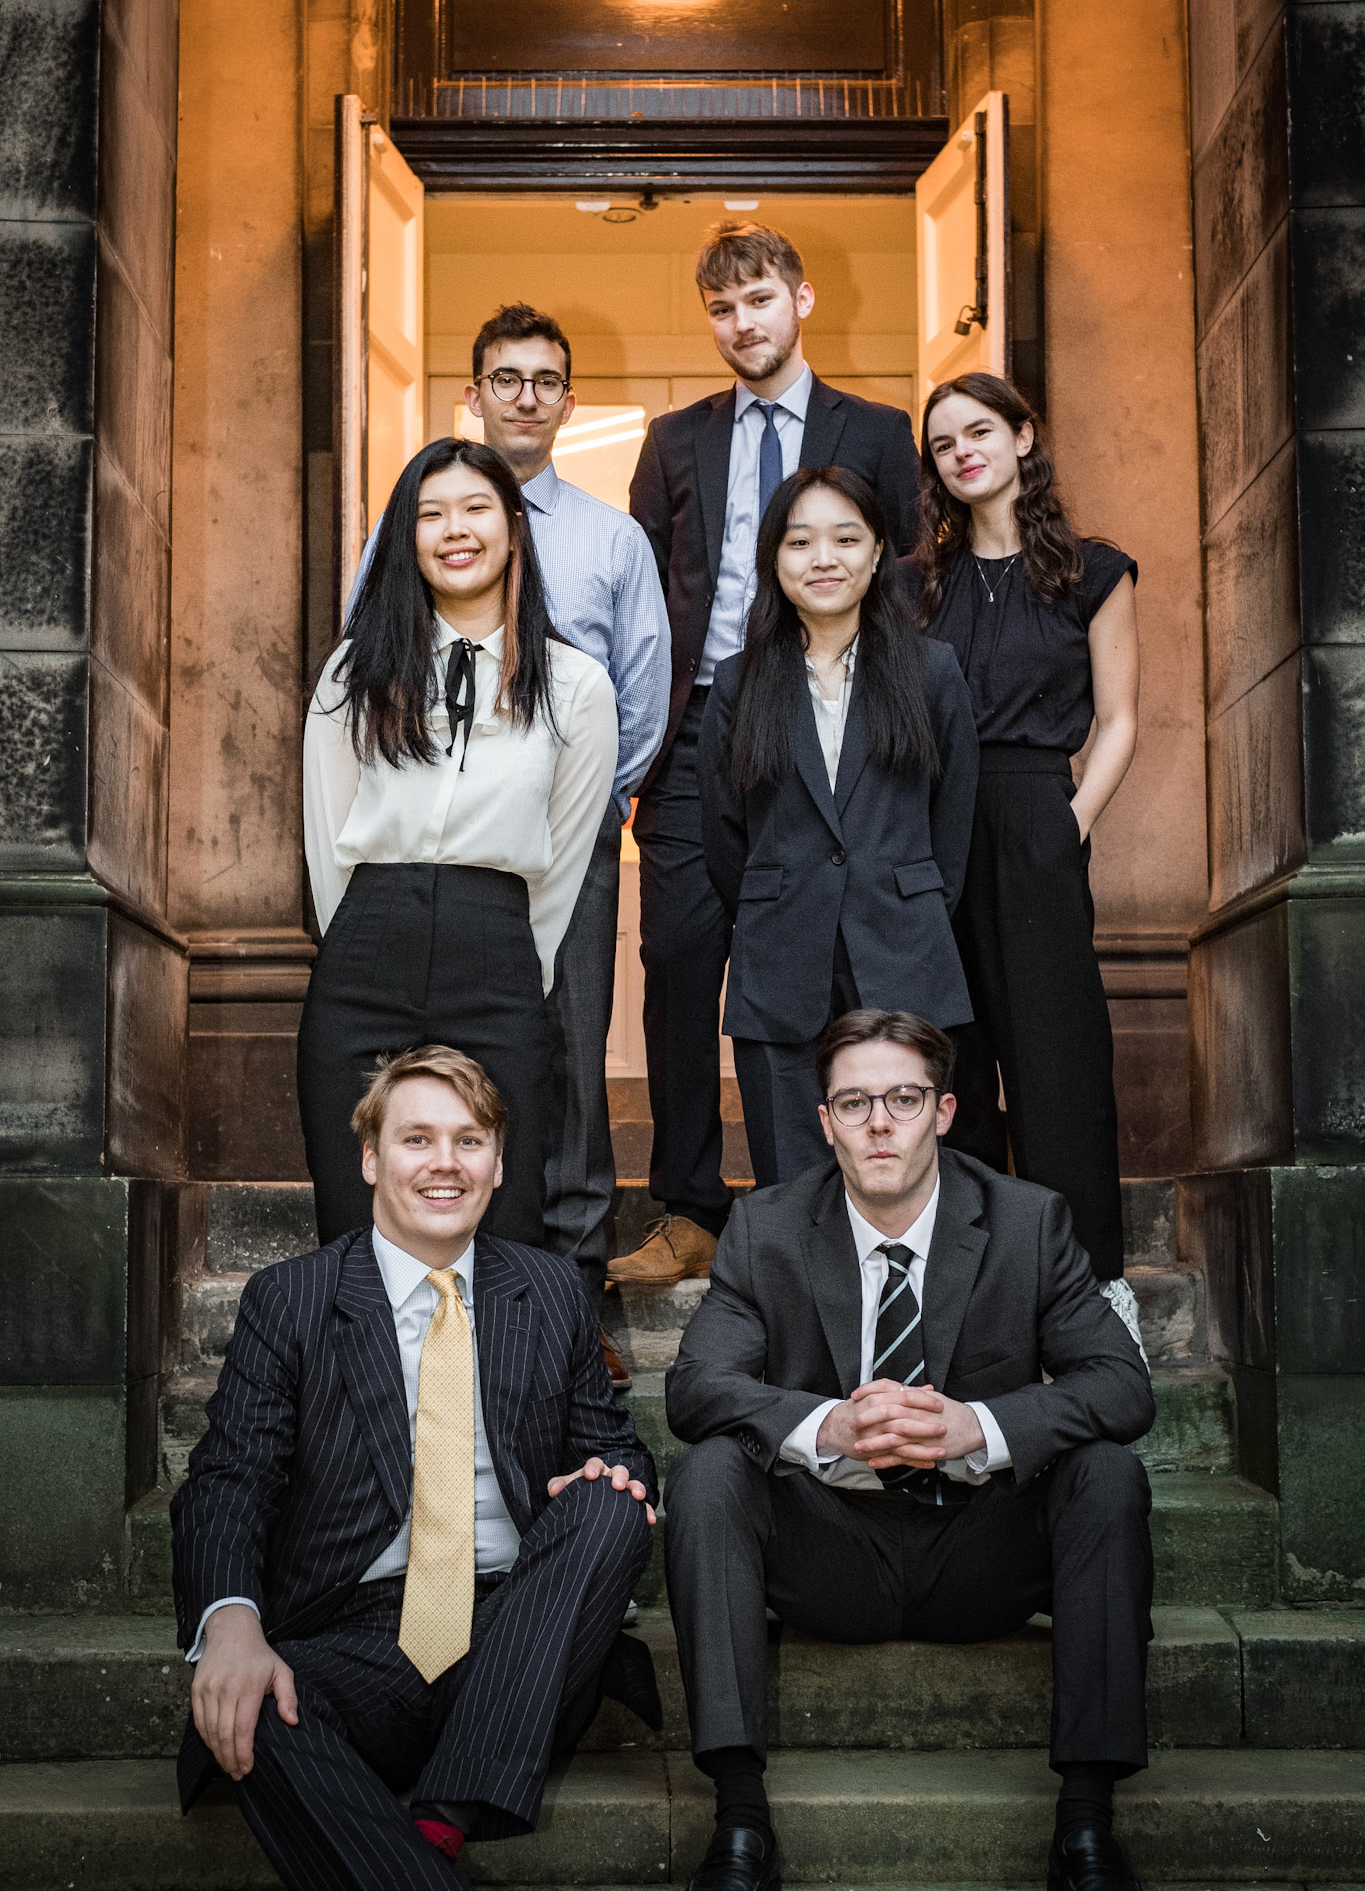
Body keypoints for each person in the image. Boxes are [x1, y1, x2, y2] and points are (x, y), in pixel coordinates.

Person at [664, 1008, 1155, 1891]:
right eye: (854, 1103)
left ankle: (1085, 1823)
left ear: (944, 1111)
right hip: (831, 1551)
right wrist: (825, 1426)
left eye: (903, 1098)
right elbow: (696, 1387)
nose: (879, 1124)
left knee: (1105, 1473)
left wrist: (982, 1427)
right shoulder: (766, 1226)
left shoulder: (1027, 1220)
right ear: (825, 1123)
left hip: (981, 1548)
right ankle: (738, 1820)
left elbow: (1121, 1387)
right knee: (707, 1473)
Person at [172, 1045, 660, 1891]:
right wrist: (231, 1626)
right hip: (357, 1635)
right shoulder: (292, 1299)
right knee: (256, 1705)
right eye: (416, 1139)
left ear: (497, 1165)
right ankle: (435, 1845)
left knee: (610, 1503)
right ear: (370, 1159)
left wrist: (599, 1478)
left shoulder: (548, 1291)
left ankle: (443, 1810)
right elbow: (229, 1478)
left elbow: (616, 1448)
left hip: (523, 1634)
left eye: (469, 1141)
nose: (445, 1163)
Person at [613, 219, 924, 1285]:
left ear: (801, 299)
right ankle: (690, 1208)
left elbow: (906, 584)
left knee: (832, 963)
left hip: (829, 722)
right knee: (677, 963)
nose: (741, 322)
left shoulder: (876, 431)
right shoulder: (673, 440)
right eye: (721, 307)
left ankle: (845, 1198)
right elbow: (642, 600)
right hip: (701, 727)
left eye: (758, 299)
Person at [350, 306, 670, 1325]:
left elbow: (643, 694)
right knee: (448, 1041)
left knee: (568, 1046)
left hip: (570, 829)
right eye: (506, 377)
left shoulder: (612, 538)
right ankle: (447, 1264)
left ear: (569, 402)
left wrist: (586, 803)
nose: (525, 396)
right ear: (474, 394)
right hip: (434, 844)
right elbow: (366, 660)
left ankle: (571, 1282)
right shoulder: (408, 524)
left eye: (545, 380)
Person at [301, 437, 617, 1248]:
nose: (454, 530)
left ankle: (490, 1341)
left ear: (513, 528)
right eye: (430, 514)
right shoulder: (353, 672)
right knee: (353, 1210)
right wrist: (364, 939)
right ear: (406, 538)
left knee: (504, 1218)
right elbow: (327, 838)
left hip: (498, 951)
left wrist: (510, 957)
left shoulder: (576, 686)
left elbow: (564, 857)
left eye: (475, 508)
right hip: (367, 944)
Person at [912, 373, 1140, 1312]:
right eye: (942, 444)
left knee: (1057, 1058)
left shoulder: (1093, 571)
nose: (961, 452)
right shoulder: (915, 585)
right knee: (952, 1061)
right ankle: (977, 1293)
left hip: (1038, 812)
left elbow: (1119, 720)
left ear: (1021, 436)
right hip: (933, 826)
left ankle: (1094, 1290)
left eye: (977, 432)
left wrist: (1069, 824)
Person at [697, 466, 978, 1187]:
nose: (823, 559)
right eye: (799, 542)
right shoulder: (737, 682)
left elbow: (953, 825)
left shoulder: (931, 672)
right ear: (773, 558)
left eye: (845, 539)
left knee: (901, 1175)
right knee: (791, 1182)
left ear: (879, 551)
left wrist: (905, 902)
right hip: (779, 956)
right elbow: (725, 835)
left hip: (903, 952)